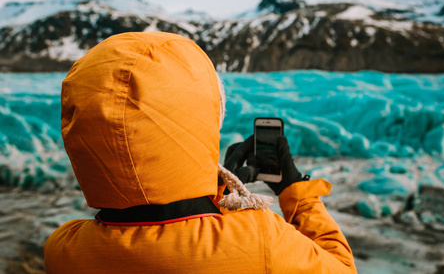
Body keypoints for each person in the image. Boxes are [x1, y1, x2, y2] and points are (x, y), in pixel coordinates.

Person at [44, 32, 356, 273]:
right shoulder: (261, 240)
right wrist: (296, 193)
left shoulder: (64, 249)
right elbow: (342, 267)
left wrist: (213, 191)